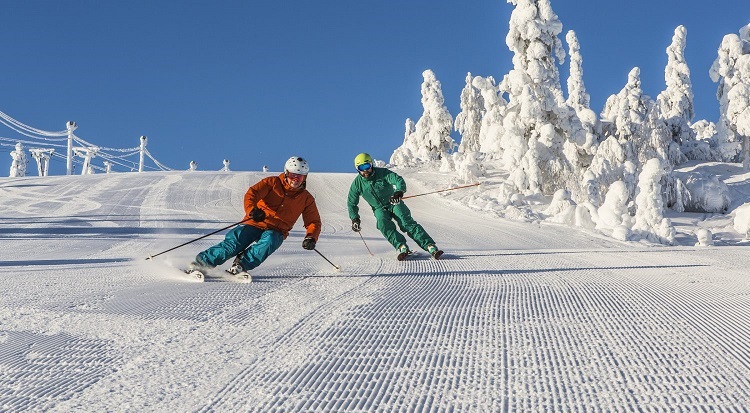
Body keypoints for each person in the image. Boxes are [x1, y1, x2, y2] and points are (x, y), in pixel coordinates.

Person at [189, 156, 321, 278]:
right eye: (293, 175)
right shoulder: (272, 182)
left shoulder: (306, 198)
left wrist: (311, 237)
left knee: (269, 241)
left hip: (277, 230)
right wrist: (252, 210)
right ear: (286, 172)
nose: (296, 180)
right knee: (235, 243)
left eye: (300, 177)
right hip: (255, 222)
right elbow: (252, 193)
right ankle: (201, 264)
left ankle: (240, 266)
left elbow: (313, 221)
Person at [347, 152, 443, 261]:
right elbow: (351, 203)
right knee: (383, 224)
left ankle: (430, 246)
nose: (365, 170)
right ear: (357, 169)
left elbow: (398, 180)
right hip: (379, 209)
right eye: (361, 167)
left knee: (406, 222)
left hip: (393, 202)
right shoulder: (357, 184)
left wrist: (398, 192)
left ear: (371, 164)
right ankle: (401, 246)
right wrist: (355, 218)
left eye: (367, 166)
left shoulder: (382, 173)